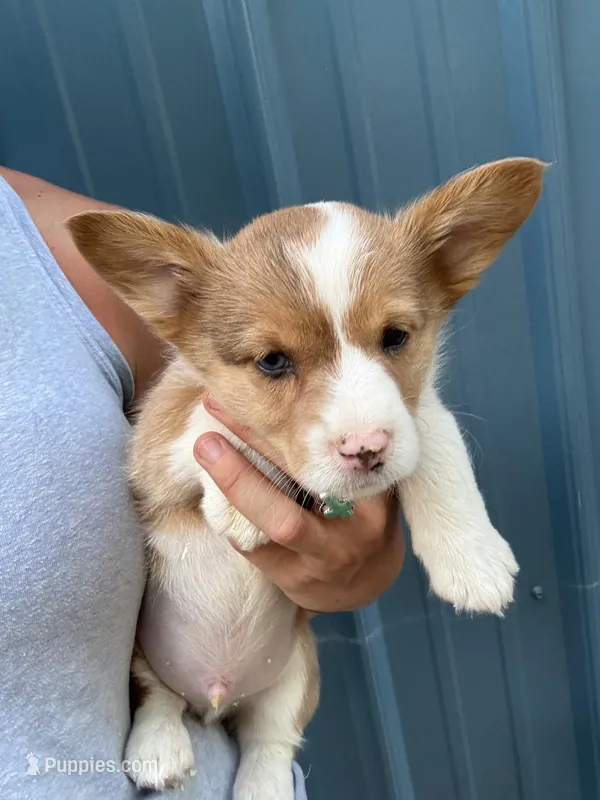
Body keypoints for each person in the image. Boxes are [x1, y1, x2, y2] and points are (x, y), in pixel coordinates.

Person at [0, 165, 404, 799]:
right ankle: (161, 709)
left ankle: (268, 752)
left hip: (263, 665)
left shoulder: (46, 242)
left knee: (286, 697)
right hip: (158, 676)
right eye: (274, 361)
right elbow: (160, 461)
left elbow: (354, 531)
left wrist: (360, 543)